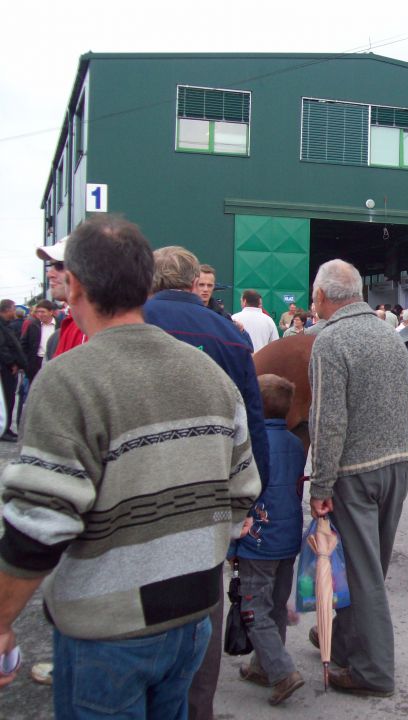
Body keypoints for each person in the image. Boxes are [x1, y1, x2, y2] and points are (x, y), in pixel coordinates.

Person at [0, 214, 261, 716]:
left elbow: (39, 524)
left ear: (73, 285)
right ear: (146, 284)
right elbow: (243, 489)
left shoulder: (68, 379)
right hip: (191, 619)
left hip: (108, 632)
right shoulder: (208, 371)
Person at [142, 245, 272, 720]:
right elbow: (253, 420)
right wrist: (259, 493)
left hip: (141, 485)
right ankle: (198, 707)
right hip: (212, 488)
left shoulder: (132, 321)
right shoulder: (229, 333)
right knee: (204, 596)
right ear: (194, 281)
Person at [308, 259, 408, 697]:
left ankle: (373, 673)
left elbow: (329, 421)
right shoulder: (390, 337)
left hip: (356, 472)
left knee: (362, 574)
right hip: (398, 464)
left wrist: (320, 485)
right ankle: (349, 644)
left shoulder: (329, 342)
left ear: (322, 297)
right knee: (371, 568)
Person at [234, 374, 306, 705]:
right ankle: (262, 666)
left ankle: (281, 671)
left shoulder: (250, 444)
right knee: (276, 605)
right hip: (287, 537)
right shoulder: (294, 443)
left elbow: (242, 495)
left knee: (253, 609)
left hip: (257, 540)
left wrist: (233, 543)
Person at [37, 238, 87, 357]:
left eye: (59, 265)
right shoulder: (65, 329)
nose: (49, 274)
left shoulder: (98, 328)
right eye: (51, 265)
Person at [0, 300, 28, 442]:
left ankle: (6, 428)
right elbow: (3, 348)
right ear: (7, 310)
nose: (14, 312)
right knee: (6, 400)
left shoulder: (6, 325)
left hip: (7, 368)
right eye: (13, 309)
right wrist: (12, 363)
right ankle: (3, 429)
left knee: (8, 399)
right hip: (5, 370)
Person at [21, 299, 57, 381]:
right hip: (37, 362)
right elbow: (24, 344)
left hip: (54, 361)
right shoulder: (33, 325)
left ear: (51, 312)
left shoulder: (60, 324)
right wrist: (27, 364)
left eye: (43, 312)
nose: (40, 314)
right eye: (38, 312)